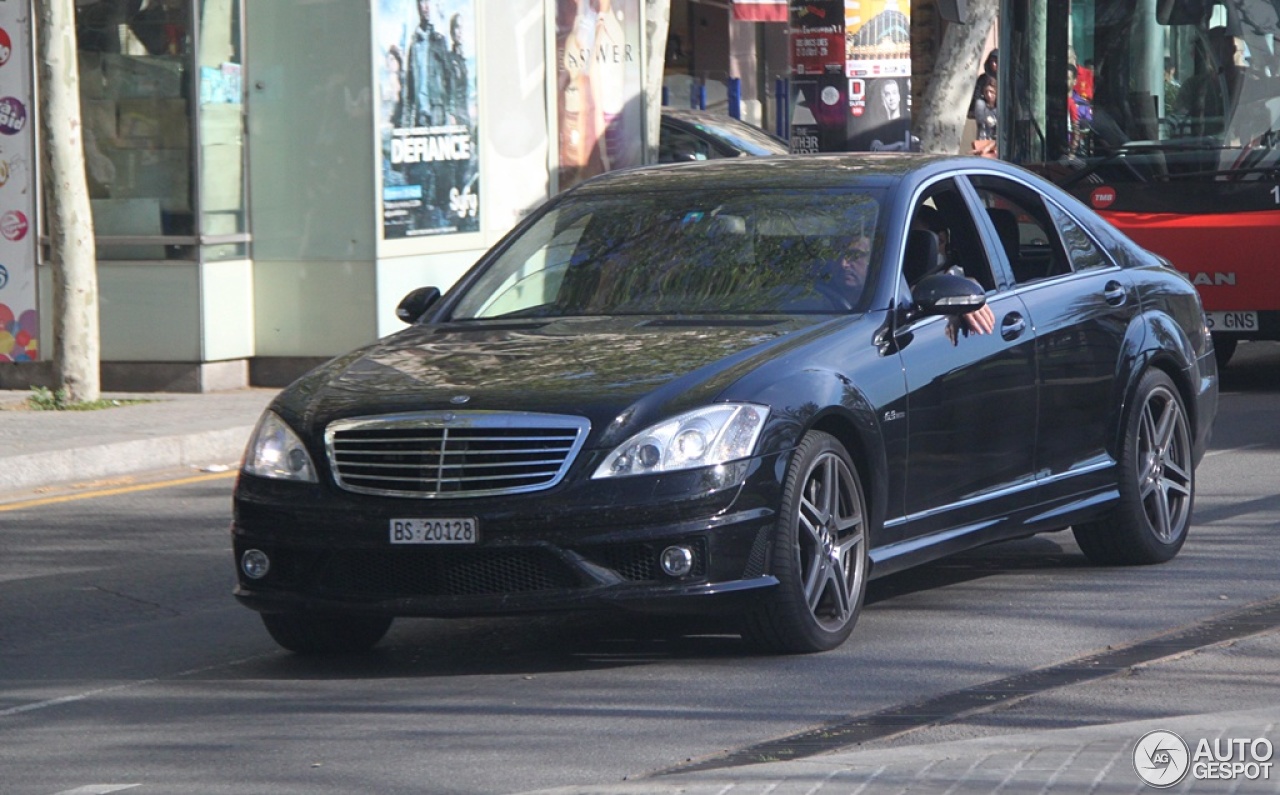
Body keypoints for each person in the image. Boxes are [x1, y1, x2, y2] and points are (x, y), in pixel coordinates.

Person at [910, 206, 996, 343]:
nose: (909, 248)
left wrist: (966, 295)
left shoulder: (954, 275)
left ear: (941, 240)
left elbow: (963, 286)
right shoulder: (882, 275)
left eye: (915, 240)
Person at [400, 0, 450, 129]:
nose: (426, 7)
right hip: (420, 113)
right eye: (423, 2)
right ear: (418, 7)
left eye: (429, 2)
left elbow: (449, 78)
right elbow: (410, 85)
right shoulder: (414, 45)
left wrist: (450, 112)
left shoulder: (439, 41)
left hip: (437, 110)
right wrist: (406, 121)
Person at [970, 49, 998, 119]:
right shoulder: (983, 79)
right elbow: (977, 96)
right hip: (985, 112)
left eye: (996, 61)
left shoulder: (1006, 79)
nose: (993, 64)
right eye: (992, 61)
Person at [972, 78, 998, 156]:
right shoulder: (981, 104)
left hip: (996, 145)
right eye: (986, 92)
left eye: (992, 92)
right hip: (983, 140)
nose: (989, 95)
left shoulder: (1000, 108)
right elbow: (981, 120)